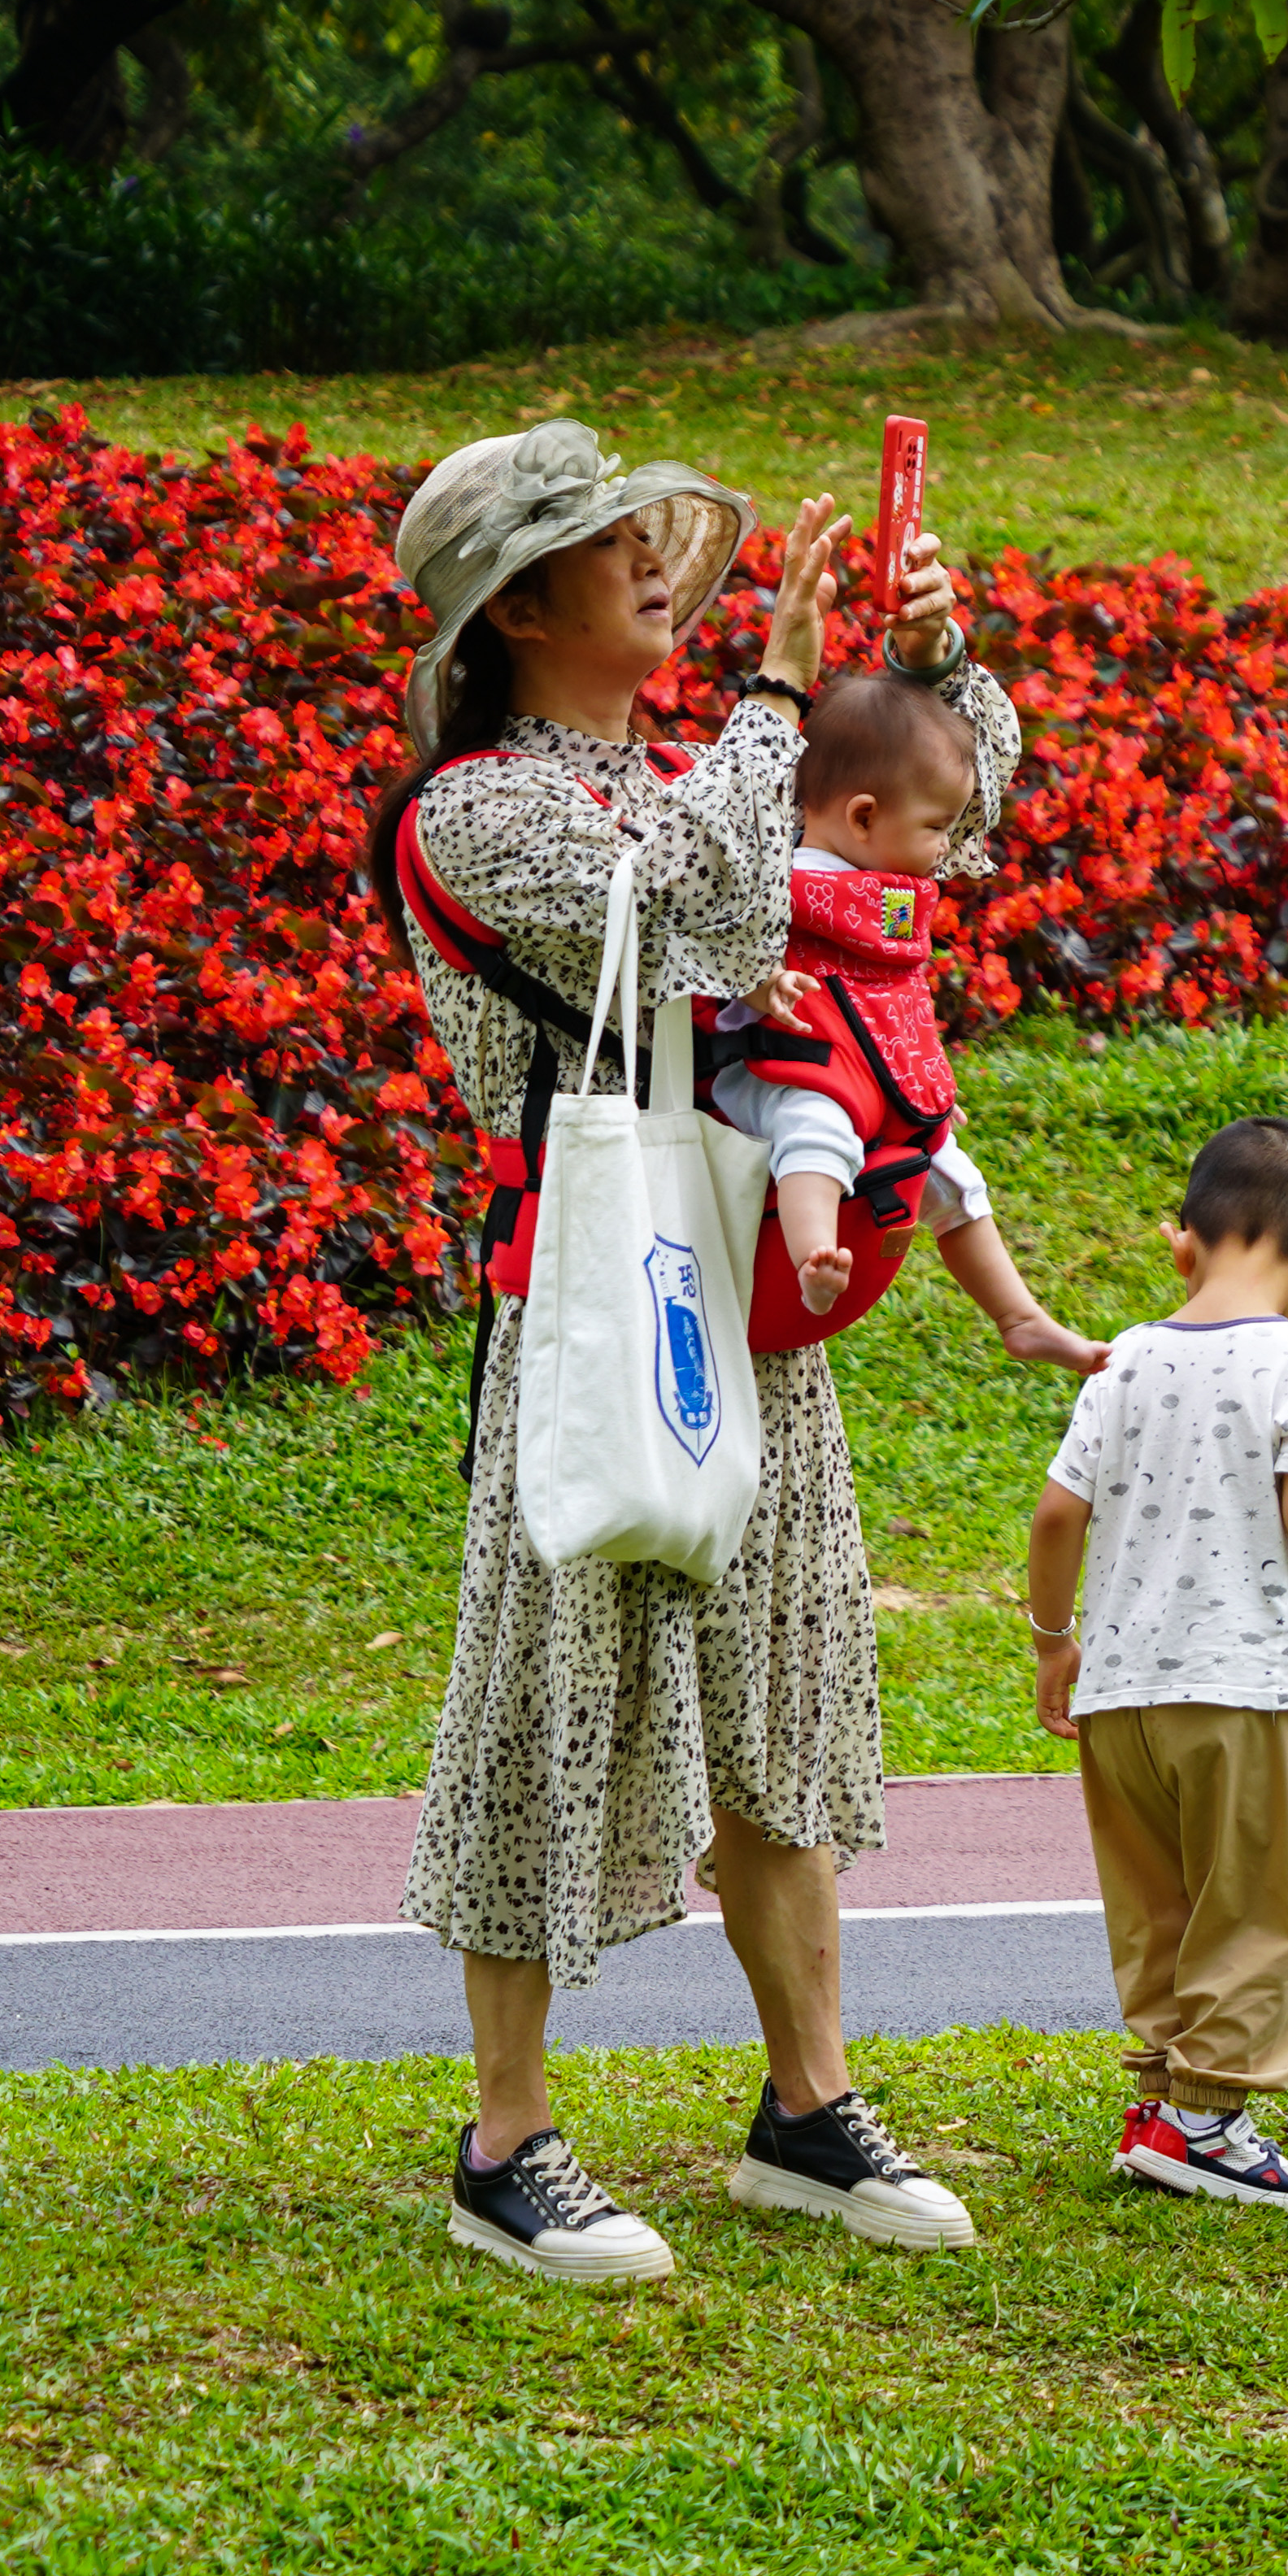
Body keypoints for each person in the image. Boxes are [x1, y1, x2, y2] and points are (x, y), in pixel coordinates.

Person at [365, 417, 1018, 2283]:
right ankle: (507, 2139)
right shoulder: (479, 808)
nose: (659, 561)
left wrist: (931, 667)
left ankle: (808, 2110)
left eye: (657, 534)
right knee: (542, 1698)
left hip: (746, 1284)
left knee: (787, 1691)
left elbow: (934, 823)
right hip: (585, 1292)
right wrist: (795, 687)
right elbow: (718, 909)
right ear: (517, 607)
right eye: (610, 545)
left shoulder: (691, 754)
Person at [1026, 1116, 1288, 2206]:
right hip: (1240, 1686)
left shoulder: (1121, 1361)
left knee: (1158, 1906)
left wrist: (1051, 1641)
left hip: (1120, 1692)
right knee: (1260, 1906)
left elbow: (1052, 1516)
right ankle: (1207, 2123)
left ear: (1182, 1245)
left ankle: (1162, 2097)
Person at [703, 672, 1096, 1363]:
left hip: (863, 1078)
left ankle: (1018, 1316)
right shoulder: (780, 884)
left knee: (952, 1172)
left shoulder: (883, 895)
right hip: (778, 1076)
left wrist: (912, 1084)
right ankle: (812, 1253)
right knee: (815, 1131)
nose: (947, 845)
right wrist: (760, 984)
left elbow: (890, 1005)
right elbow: (712, 963)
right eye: (938, 827)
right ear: (861, 816)